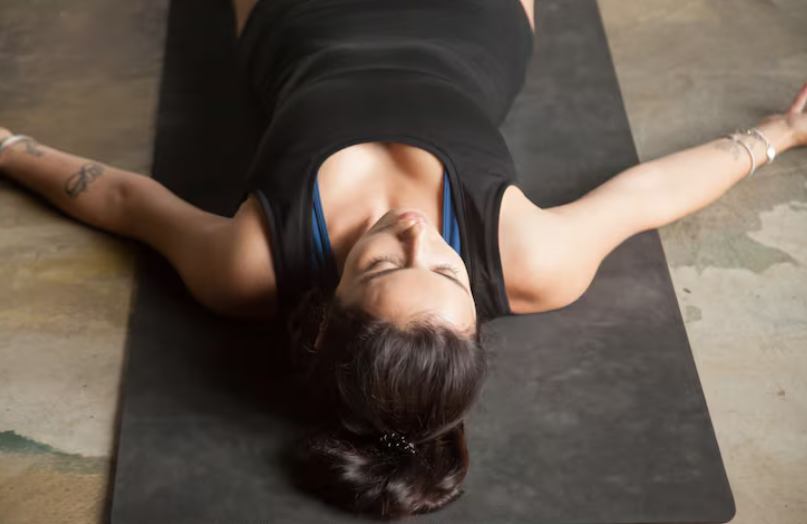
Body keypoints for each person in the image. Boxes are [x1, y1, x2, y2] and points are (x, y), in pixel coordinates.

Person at [0, 0, 805, 518]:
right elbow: (644, 197)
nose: (418, 230)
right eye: (446, 268)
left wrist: (4, 145)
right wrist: (778, 133)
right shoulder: (528, 260)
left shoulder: (251, 267)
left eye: (384, 265)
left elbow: (122, 200)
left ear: (324, 315)